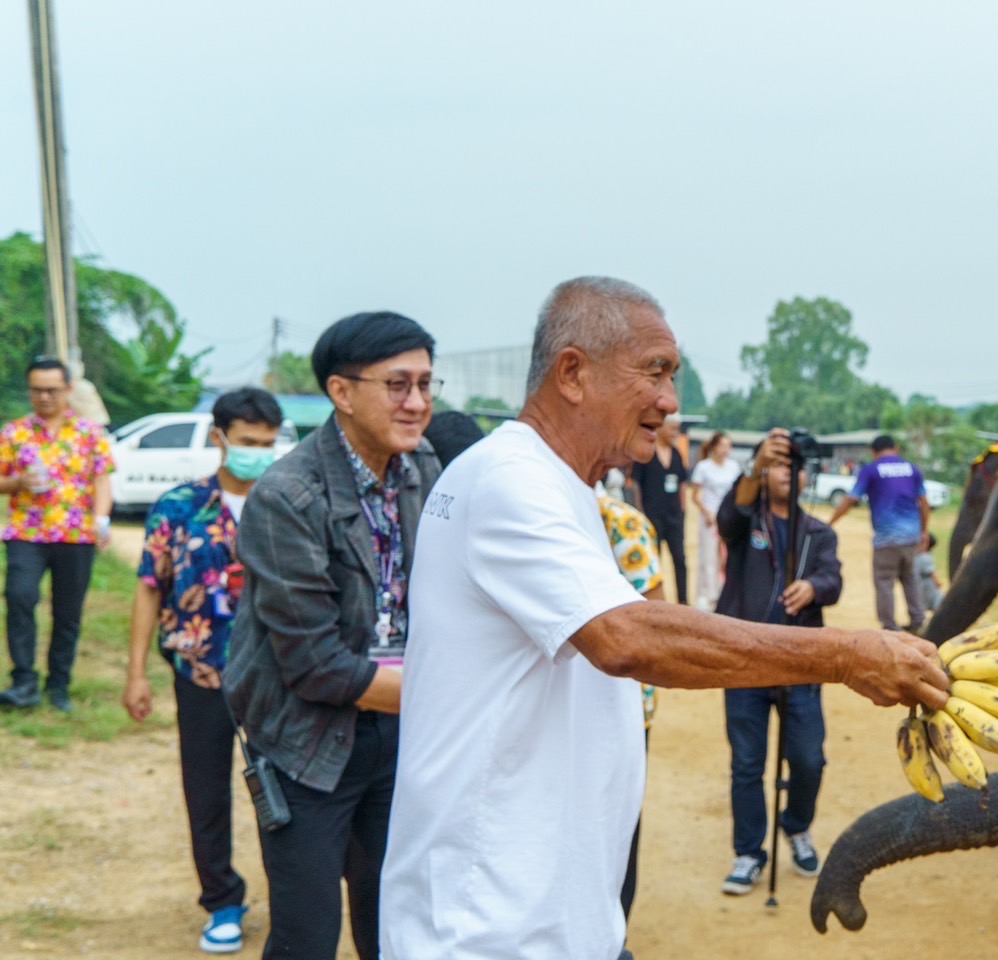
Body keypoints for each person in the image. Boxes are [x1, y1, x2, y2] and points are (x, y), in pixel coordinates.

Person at [379, 276, 947, 960]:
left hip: (552, 918)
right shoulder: (511, 480)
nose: (671, 401)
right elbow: (626, 637)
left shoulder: (558, 486)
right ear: (573, 373)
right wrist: (847, 655)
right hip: (487, 929)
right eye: (654, 372)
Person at [223, 312, 441, 960]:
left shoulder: (424, 468)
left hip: (397, 730)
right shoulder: (287, 496)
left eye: (426, 384)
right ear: (341, 392)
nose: (417, 402)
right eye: (397, 385)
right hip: (307, 741)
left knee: (397, 921)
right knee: (306, 934)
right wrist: (449, 693)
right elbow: (315, 666)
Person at [121, 387, 284, 954]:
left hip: (278, 677)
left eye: (268, 443)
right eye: (248, 442)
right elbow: (150, 588)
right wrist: (136, 673)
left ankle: (290, 898)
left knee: (285, 792)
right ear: (219, 438)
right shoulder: (179, 507)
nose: (258, 453)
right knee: (206, 788)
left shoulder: (287, 502)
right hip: (200, 671)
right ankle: (222, 900)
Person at [715, 428, 843, 895]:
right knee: (747, 764)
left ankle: (797, 825)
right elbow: (726, 516)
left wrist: (814, 587)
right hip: (744, 661)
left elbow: (833, 579)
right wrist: (756, 466)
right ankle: (749, 851)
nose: (787, 473)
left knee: (808, 759)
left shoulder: (819, 533)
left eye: (794, 466)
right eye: (777, 465)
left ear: (806, 475)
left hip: (800, 665)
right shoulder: (746, 522)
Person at [0, 357, 114, 712]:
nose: (44, 397)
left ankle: (59, 684)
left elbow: (102, 479)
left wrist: (102, 520)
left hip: (75, 534)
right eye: (37, 390)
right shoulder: (15, 433)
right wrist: (18, 483)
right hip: (26, 532)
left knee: (68, 612)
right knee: (19, 598)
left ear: (68, 389)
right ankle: (24, 681)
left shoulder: (89, 433)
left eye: (51, 390)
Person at [595, 491, 666, 934]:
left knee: (615, 831)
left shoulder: (621, 522)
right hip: (559, 713)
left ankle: (611, 935)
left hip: (621, 707)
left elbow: (659, 624)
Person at [827, 435, 929, 632]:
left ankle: (890, 626)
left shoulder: (871, 470)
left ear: (873, 452)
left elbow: (852, 499)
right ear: (895, 448)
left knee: (884, 581)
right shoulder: (912, 469)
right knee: (910, 578)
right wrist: (923, 531)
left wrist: (830, 522)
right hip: (911, 537)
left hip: (886, 539)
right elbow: (923, 502)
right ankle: (918, 620)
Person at [631, 414, 690, 603]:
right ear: (661, 428)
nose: (676, 433)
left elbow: (682, 482)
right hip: (652, 515)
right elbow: (636, 483)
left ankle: (683, 601)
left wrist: (682, 510)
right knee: (654, 561)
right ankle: (654, 602)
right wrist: (641, 511)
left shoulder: (677, 454)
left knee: (680, 560)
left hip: (674, 515)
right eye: (673, 429)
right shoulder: (647, 453)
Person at [689, 430, 741, 610]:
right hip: (710, 517)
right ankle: (707, 594)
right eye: (722, 445)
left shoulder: (733, 467)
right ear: (714, 447)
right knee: (708, 556)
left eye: (729, 446)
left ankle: (723, 591)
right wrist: (707, 512)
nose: (726, 450)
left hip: (728, 517)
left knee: (726, 556)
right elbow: (695, 495)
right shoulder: (703, 467)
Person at [916, 532, 943, 616]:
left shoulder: (924, 557)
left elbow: (931, 571)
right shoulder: (922, 556)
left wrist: (936, 581)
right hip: (924, 584)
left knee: (931, 601)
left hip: (926, 584)